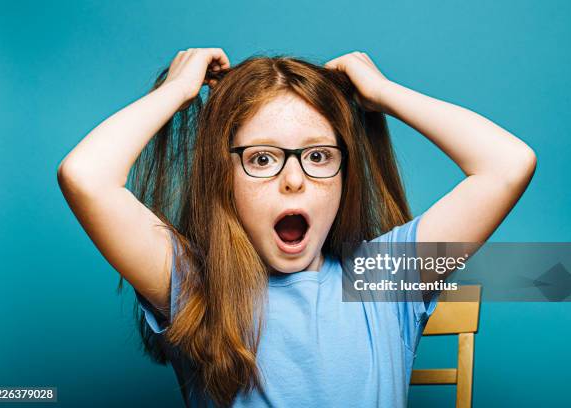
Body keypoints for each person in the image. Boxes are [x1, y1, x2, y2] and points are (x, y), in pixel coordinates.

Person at [57, 48, 536, 407]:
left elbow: (508, 164)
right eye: (262, 158)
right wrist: (176, 91)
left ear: (345, 176)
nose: (294, 179)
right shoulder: (196, 283)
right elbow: (85, 177)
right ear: (225, 178)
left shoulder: (385, 278)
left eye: (318, 156)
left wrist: (383, 94)